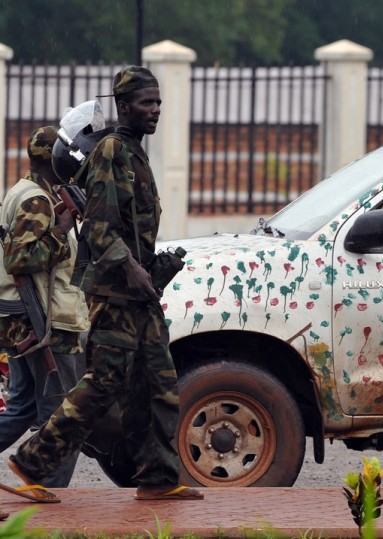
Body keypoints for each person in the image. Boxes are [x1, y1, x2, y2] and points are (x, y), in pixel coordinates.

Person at [7, 66, 203, 502]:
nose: (155, 109)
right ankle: (34, 461)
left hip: (139, 294)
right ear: (123, 107)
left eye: (158, 102)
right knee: (103, 382)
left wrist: (148, 269)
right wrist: (129, 266)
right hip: (115, 294)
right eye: (146, 102)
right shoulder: (112, 151)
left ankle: (157, 478)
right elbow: (98, 226)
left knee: (158, 383)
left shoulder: (134, 153)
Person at [0, 126, 87, 488]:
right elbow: (19, 259)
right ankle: (46, 488)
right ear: (55, 159)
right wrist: (61, 230)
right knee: (63, 414)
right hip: (40, 321)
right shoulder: (37, 200)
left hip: (19, 316)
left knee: (23, 407)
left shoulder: (23, 190)